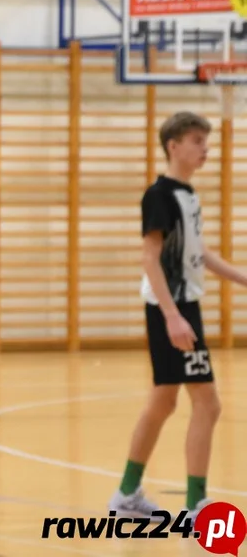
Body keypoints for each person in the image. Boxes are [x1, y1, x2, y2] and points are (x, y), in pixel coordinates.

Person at [109, 111, 244, 522]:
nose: (206, 149)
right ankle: (196, 503)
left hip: (181, 306)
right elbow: (149, 257)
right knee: (208, 403)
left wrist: (242, 277)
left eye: (206, 141)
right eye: (197, 141)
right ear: (174, 146)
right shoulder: (160, 195)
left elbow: (198, 253)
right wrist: (172, 316)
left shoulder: (187, 194)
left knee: (164, 401)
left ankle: (127, 494)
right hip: (173, 307)